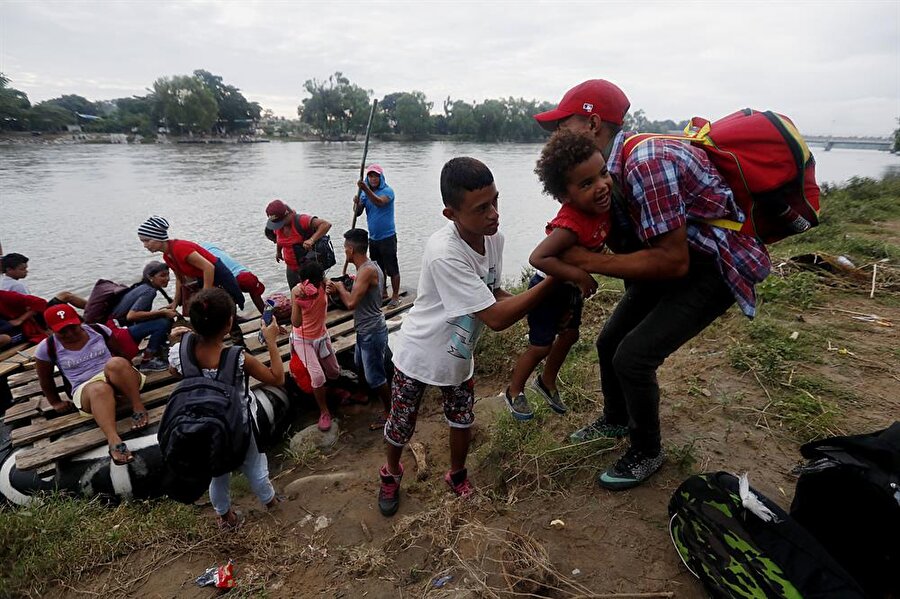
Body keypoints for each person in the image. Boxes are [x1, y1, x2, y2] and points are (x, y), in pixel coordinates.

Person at [534, 79, 771, 490]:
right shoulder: (607, 172)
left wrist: (586, 261)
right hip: (675, 257)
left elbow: (673, 262)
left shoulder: (645, 160)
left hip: (710, 267)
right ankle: (616, 419)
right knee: (610, 341)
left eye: (562, 124)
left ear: (592, 124)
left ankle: (647, 451)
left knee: (633, 357)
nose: (555, 135)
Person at [377, 157, 556, 517]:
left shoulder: (494, 239)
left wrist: (536, 298)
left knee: (462, 419)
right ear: (451, 214)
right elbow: (494, 317)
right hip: (419, 354)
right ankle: (391, 472)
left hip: (458, 356)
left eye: (495, 201)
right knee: (401, 424)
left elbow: (493, 292)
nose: (493, 214)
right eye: (481, 208)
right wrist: (551, 282)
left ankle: (457, 474)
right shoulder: (444, 253)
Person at [505, 130, 612, 420]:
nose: (602, 186)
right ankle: (515, 390)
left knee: (570, 334)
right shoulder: (569, 224)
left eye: (604, 173)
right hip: (548, 287)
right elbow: (538, 258)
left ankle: (546, 381)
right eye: (587, 183)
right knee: (541, 345)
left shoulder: (599, 205)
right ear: (566, 195)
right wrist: (580, 275)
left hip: (569, 287)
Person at [169, 288, 284, 530]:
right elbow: (276, 378)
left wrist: (181, 341)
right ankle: (271, 503)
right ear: (229, 323)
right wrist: (271, 340)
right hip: (239, 425)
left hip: (203, 427)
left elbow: (174, 371)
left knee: (217, 473)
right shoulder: (238, 357)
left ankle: (225, 517)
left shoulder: (180, 352)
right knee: (255, 466)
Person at [34, 304, 149, 465]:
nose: (70, 333)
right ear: (49, 330)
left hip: (115, 378)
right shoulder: (46, 348)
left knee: (116, 362)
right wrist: (55, 402)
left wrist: (125, 376)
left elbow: (122, 355)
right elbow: (45, 380)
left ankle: (138, 406)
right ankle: (114, 440)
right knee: (99, 388)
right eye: (62, 331)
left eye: (73, 327)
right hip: (86, 390)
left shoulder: (99, 330)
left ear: (79, 321)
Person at [137, 216, 246, 345]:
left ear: (158, 237)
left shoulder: (180, 248)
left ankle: (240, 345)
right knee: (206, 313)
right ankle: (215, 344)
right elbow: (179, 278)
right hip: (205, 279)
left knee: (225, 310)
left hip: (219, 276)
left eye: (147, 240)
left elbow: (209, 267)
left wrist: (206, 294)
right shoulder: (167, 256)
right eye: (143, 242)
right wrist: (175, 302)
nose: (145, 245)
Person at [327, 229, 391, 431]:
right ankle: (363, 394)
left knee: (375, 376)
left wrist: (340, 289)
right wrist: (340, 288)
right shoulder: (368, 267)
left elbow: (352, 302)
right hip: (366, 327)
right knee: (359, 364)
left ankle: (390, 412)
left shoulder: (367, 271)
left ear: (351, 249)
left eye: (345, 247)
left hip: (372, 330)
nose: (344, 250)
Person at [290, 261, 339, 432]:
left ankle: (332, 393)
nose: (313, 286)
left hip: (321, 335)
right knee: (318, 377)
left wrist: (332, 286)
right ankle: (324, 411)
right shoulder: (298, 292)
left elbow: (330, 283)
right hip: (303, 340)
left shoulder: (323, 284)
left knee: (334, 372)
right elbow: (295, 322)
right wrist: (297, 301)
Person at [110, 261, 177, 372]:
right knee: (163, 323)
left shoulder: (142, 287)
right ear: (150, 277)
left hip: (117, 332)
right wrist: (162, 313)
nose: (167, 278)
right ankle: (148, 360)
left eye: (168, 275)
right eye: (162, 275)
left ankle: (159, 350)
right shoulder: (149, 291)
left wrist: (164, 310)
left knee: (162, 319)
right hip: (120, 335)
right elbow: (131, 316)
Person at [354, 164, 401, 306]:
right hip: (373, 237)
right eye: (370, 176)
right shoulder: (363, 193)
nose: (373, 179)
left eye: (376, 176)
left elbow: (379, 202)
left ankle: (396, 295)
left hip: (387, 236)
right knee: (378, 268)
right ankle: (383, 292)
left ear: (381, 177)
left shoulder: (388, 191)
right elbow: (358, 213)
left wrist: (365, 189)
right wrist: (356, 204)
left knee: (392, 268)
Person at [265, 200, 332, 289]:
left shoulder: (301, 220)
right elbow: (279, 239)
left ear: (287, 215)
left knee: (314, 292)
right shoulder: (278, 227)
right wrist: (278, 252)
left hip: (308, 267)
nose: (278, 226)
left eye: (280, 222)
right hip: (291, 267)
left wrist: (311, 240)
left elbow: (326, 224)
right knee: (295, 292)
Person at [200, 243, 267, 315]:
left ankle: (233, 318)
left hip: (227, 273)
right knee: (230, 298)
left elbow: (255, 295)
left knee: (230, 298)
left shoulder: (247, 274)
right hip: (212, 264)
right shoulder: (205, 253)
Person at [1, 253, 87, 308]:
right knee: (66, 295)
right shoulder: (16, 286)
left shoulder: (4, 282)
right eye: (22, 269)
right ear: (9, 270)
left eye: (26, 268)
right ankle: (93, 308)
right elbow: (29, 307)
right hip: (38, 315)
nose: (26, 271)